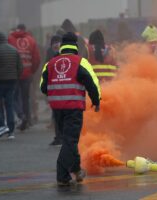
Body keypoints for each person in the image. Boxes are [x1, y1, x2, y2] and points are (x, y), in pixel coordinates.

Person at [40, 32, 101, 186]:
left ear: (61, 46)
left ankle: (76, 170)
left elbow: (43, 87)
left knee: (69, 140)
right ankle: (62, 175)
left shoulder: (51, 63)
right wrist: (96, 100)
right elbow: (92, 83)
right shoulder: (81, 62)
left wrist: (56, 93)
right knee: (70, 140)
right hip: (73, 108)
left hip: (57, 109)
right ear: (75, 45)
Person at [0, 31, 23, 139]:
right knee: (9, 105)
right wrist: (15, 77)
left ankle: (2, 125)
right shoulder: (14, 49)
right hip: (12, 81)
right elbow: (20, 67)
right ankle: (11, 132)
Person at [8, 24, 41, 130]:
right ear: (25, 30)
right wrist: (32, 71)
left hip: (14, 74)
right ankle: (27, 119)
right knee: (25, 98)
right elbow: (37, 59)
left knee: (13, 97)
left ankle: (21, 116)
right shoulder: (31, 40)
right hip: (27, 74)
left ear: (17, 29)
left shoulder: (10, 39)